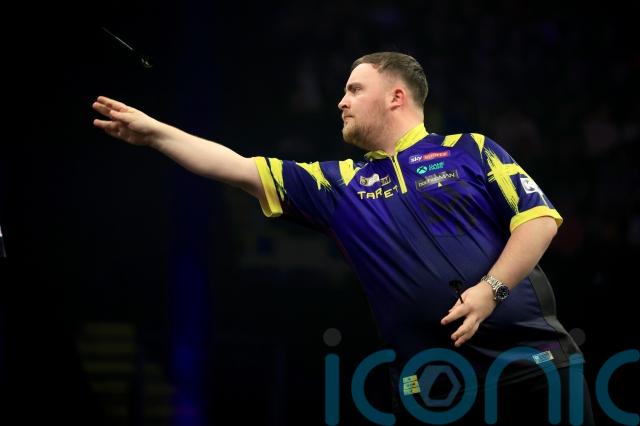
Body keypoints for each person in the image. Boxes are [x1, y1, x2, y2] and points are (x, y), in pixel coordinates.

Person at [93, 52, 594, 425]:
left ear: (396, 96)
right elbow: (239, 167)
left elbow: (539, 220)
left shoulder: (470, 150)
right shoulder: (338, 185)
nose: (341, 100)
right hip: (436, 391)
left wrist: (491, 291)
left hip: (534, 365)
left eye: (354, 89)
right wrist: (156, 133)